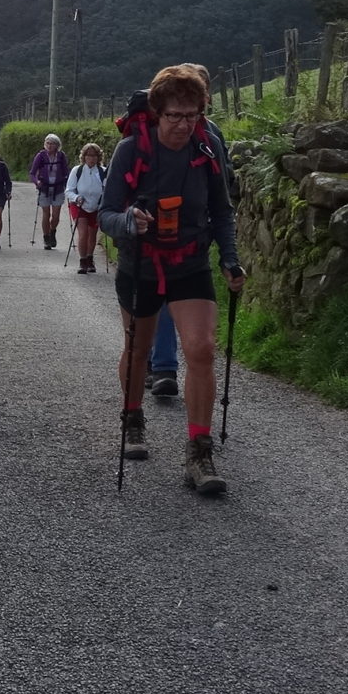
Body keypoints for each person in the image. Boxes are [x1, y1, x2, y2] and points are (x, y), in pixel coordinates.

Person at [100, 65, 245, 494]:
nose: (184, 124)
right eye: (174, 116)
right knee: (138, 349)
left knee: (201, 349)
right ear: (157, 112)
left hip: (190, 263)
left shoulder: (207, 146)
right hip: (141, 264)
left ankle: (199, 453)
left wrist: (230, 260)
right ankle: (132, 418)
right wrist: (129, 221)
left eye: (192, 115)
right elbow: (106, 213)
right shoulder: (131, 150)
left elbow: (222, 211)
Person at [147, 64, 238, 397]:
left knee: (175, 300)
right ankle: (163, 365)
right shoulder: (152, 130)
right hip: (157, 236)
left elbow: (222, 183)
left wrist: (228, 252)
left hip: (195, 235)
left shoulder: (210, 135)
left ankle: (163, 366)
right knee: (160, 296)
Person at [66, 143, 107, 272]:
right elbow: (69, 191)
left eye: (94, 155)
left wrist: (103, 203)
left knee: (92, 234)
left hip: (96, 207)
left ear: (98, 157)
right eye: (89, 155)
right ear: (84, 157)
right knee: (83, 233)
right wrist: (77, 197)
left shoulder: (103, 172)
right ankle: (82, 261)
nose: (91, 158)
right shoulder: (77, 170)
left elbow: (107, 190)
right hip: (79, 205)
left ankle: (90, 258)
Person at [30, 133, 69, 249]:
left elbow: (66, 172)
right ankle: (46, 238)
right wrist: (36, 182)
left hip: (58, 188)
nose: (49, 145)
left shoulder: (61, 156)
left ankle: (52, 231)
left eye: (52, 143)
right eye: (47, 143)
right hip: (44, 188)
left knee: (56, 215)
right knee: (46, 214)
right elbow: (32, 173)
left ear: (57, 145)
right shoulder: (40, 156)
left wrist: (67, 184)